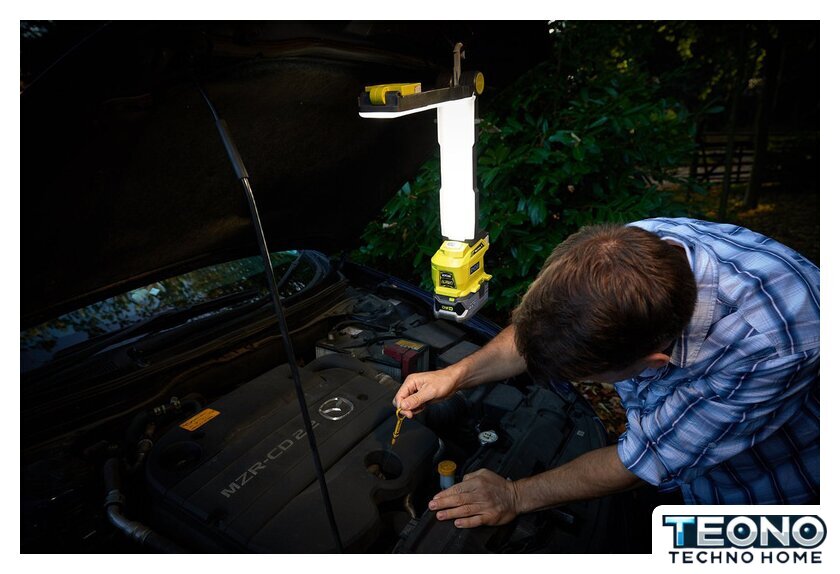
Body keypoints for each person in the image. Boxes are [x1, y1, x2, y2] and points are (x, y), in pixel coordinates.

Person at [395, 218, 819, 529]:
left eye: (590, 376)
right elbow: (538, 333)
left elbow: (643, 460)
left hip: (764, 493)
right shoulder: (623, 253)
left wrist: (514, 494)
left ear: (655, 362)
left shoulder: (772, 343)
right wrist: (457, 375)